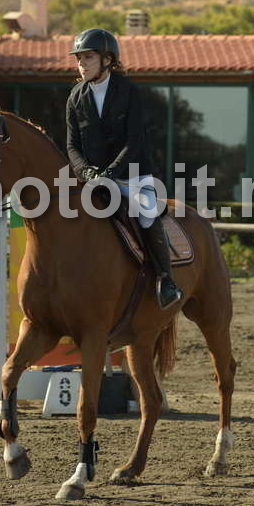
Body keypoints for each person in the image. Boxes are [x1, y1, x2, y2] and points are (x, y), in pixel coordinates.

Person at [66, 27, 182, 309]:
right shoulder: (75, 97)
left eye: (88, 57)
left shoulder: (129, 91)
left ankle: (166, 280)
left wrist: (110, 173)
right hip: (92, 178)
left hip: (132, 174)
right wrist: (88, 173)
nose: (81, 64)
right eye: (79, 59)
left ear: (107, 59)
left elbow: (135, 141)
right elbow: (71, 146)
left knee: (147, 213)